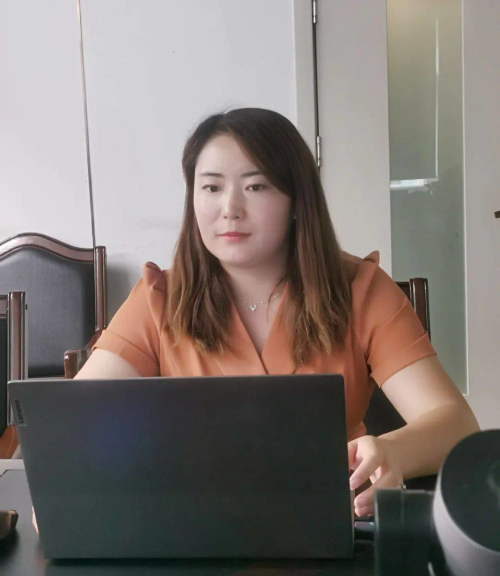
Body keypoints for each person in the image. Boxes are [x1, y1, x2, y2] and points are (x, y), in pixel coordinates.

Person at [77, 108, 479, 517]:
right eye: (211, 187)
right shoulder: (159, 298)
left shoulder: (362, 290)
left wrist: (392, 450)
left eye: (256, 186)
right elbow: (73, 420)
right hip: (195, 524)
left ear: (297, 200)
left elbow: (455, 425)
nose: (230, 208)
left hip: (334, 520)